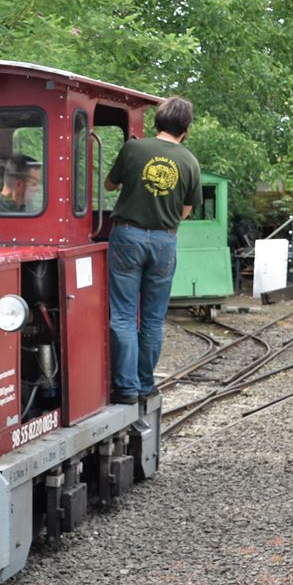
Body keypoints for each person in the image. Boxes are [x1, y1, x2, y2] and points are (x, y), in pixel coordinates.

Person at [104, 96, 202, 405]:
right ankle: (146, 384)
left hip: (127, 238)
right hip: (164, 242)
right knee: (153, 319)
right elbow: (185, 212)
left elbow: (109, 185)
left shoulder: (134, 149)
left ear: (155, 122)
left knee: (122, 316)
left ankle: (127, 389)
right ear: (186, 128)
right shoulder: (189, 162)